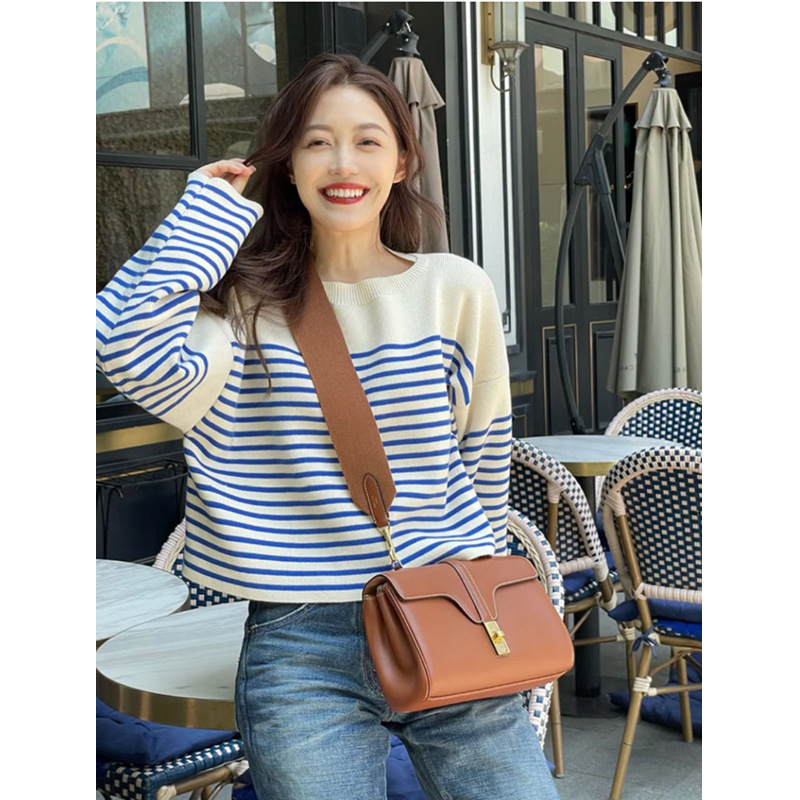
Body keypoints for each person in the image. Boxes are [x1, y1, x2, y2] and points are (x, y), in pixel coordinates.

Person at [96, 53, 560, 800]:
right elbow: (123, 346)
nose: (343, 163)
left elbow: (481, 459)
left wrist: (482, 592)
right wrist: (203, 218)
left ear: (402, 160)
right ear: (287, 163)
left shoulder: (454, 288)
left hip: (447, 606)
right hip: (300, 640)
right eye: (317, 142)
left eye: (368, 141)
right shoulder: (241, 309)